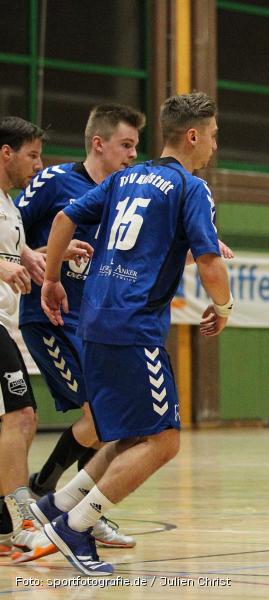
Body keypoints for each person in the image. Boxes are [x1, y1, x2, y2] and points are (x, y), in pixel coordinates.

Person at [31, 91, 233, 576]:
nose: (213, 146)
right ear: (192, 135)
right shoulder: (190, 187)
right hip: (133, 324)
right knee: (163, 441)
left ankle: (57, 507)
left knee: (126, 436)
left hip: (95, 320)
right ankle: (75, 525)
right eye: (212, 135)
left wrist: (53, 278)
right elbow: (209, 261)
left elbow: (64, 218)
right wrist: (223, 307)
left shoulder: (125, 178)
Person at [16, 104, 146, 551]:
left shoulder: (121, 197)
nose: (132, 155)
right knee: (98, 416)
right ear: (98, 143)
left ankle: (67, 505)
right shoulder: (54, 182)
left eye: (135, 146)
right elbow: (11, 232)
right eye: (126, 145)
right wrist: (48, 255)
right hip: (48, 316)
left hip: (92, 324)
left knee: (105, 420)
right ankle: (60, 503)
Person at [0, 117, 91, 557]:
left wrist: (47, 257)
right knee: (20, 417)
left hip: (5, 323)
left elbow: (18, 255)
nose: (38, 165)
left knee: (19, 418)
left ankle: (8, 517)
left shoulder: (9, 208)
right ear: (6, 153)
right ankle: (20, 518)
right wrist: (4, 268)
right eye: (32, 155)